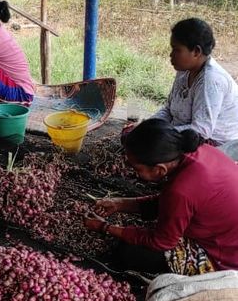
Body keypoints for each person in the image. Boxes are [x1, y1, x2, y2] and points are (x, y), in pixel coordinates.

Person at [84, 118, 238, 275]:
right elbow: (170, 202)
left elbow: (162, 242)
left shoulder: (181, 191)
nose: (133, 172)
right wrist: (119, 204)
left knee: (130, 253)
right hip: (226, 233)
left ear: (160, 169)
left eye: (136, 168)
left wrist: (105, 227)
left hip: (225, 258)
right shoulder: (195, 150)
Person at [150, 18, 238, 145]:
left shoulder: (211, 80)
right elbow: (169, 110)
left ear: (196, 51)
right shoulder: (184, 71)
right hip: (185, 134)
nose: (171, 55)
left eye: (176, 49)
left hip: (215, 145)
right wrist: (149, 126)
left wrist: (159, 134)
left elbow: (201, 130)